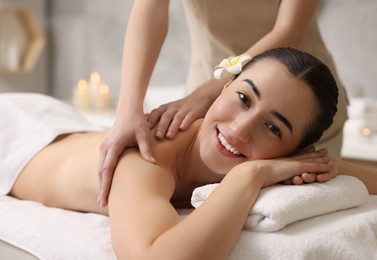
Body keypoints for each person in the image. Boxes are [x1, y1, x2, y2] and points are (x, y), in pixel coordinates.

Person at [4, 48, 349, 259]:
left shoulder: (283, 158)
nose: (240, 130)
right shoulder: (144, 159)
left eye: (273, 128)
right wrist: (250, 175)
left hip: (60, 125)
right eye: (244, 98)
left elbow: (354, 172)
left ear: (295, 152)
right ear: (226, 86)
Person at [98, 0, 349, 207]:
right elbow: (150, 7)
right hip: (214, 99)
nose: (241, 129)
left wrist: (207, 95)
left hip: (299, 109)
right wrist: (129, 109)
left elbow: (289, 29)